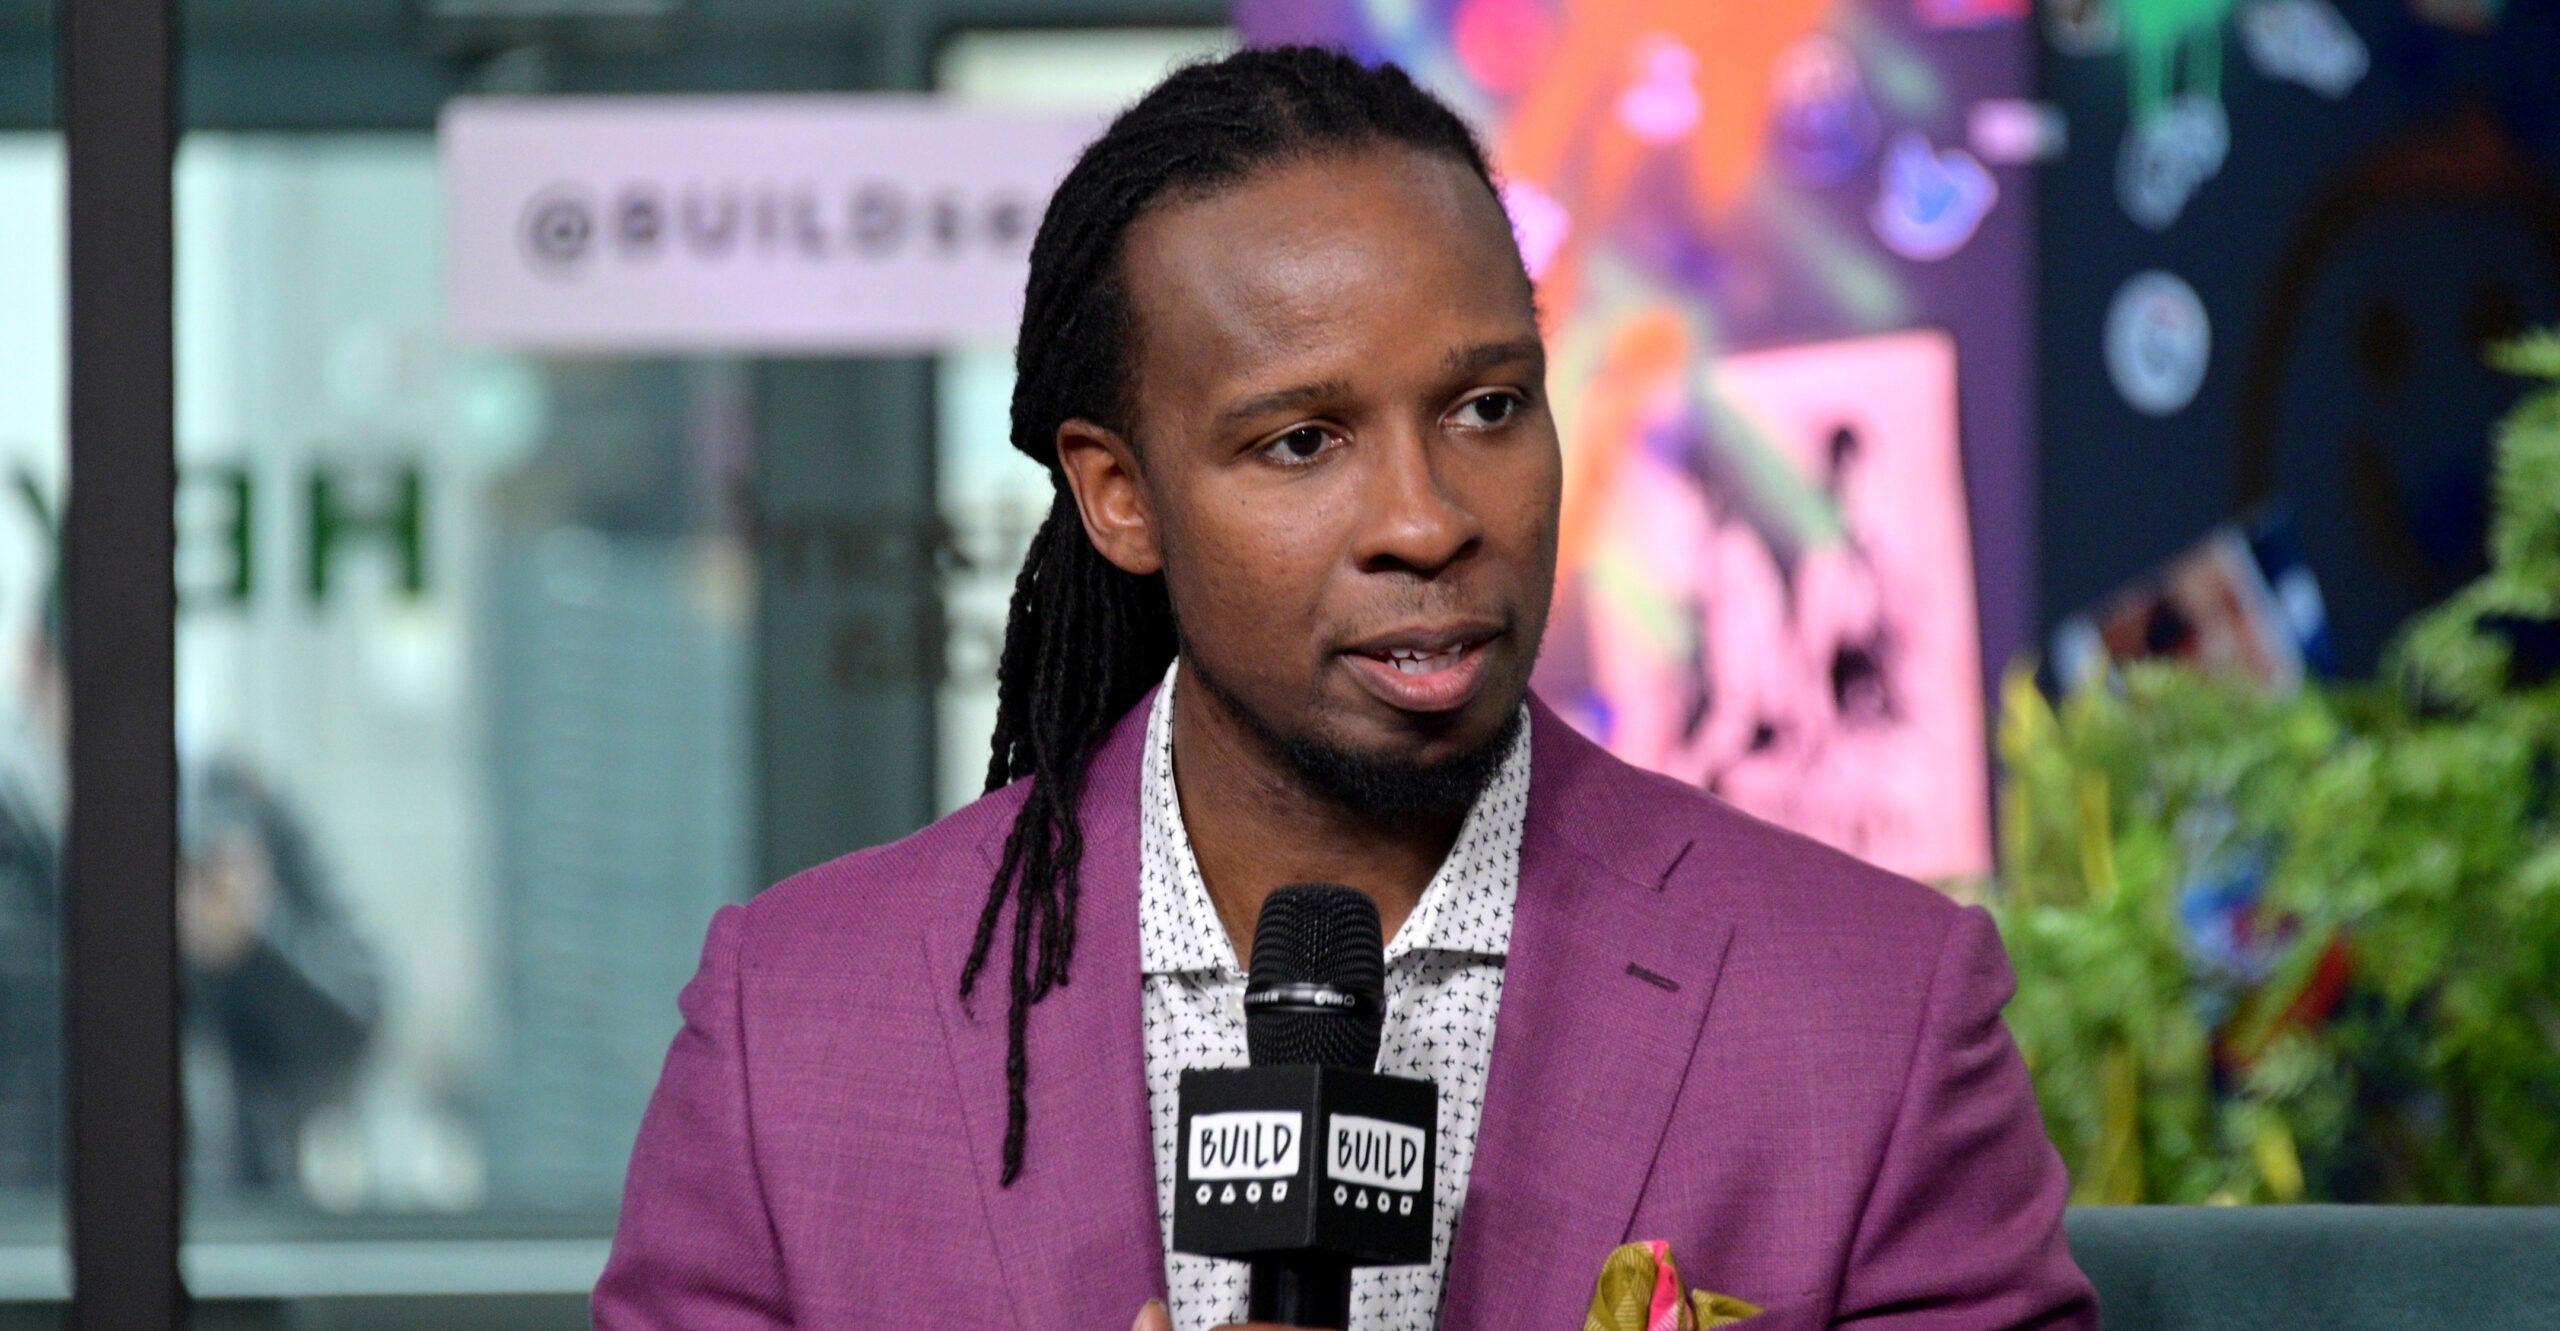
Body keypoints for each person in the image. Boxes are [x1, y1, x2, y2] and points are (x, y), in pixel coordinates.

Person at [596, 47, 2094, 1331]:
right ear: (1120, 495)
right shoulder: (796, 1031)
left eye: (1487, 407)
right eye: (1302, 441)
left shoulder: (1871, 1017)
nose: (1427, 520)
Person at [0, 575, 382, 1198]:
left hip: (228, 1228)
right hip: (33, 1236)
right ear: (37, 667)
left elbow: (354, 1026)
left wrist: (248, 947)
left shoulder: (237, 805)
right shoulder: (12, 836)